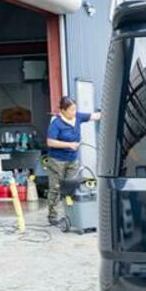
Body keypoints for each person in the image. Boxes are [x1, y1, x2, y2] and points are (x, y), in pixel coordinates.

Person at [45, 96, 101, 224]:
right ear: (62, 111)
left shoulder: (78, 117)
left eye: (75, 109)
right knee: (56, 188)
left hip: (72, 159)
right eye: (71, 110)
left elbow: (95, 116)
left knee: (70, 187)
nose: (74, 112)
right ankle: (52, 216)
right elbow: (50, 142)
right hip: (57, 160)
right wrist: (69, 145)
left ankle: (71, 214)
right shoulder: (56, 123)